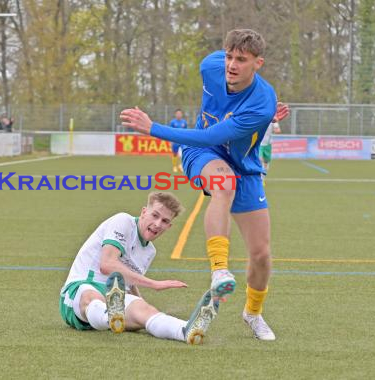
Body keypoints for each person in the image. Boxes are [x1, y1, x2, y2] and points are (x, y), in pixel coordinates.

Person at [120, 29, 290, 341]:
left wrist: (152, 128)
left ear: (258, 63)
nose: (231, 65)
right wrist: (157, 129)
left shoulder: (261, 103)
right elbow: (208, 140)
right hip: (202, 153)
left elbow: (218, 133)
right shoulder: (210, 66)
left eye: (241, 59)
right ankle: (219, 271)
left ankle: (253, 313)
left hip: (245, 167)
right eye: (229, 56)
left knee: (262, 254)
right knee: (223, 184)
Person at [60, 192, 219, 345]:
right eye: (155, 215)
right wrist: (154, 284)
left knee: (145, 311)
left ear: (169, 226)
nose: (157, 224)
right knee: (92, 296)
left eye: (164, 221)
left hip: (115, 297)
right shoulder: (123, 221)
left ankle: (185, 330)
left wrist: (139, 303)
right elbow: (107, 265)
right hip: (80, 291)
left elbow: (130, 281)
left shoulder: (150, 251)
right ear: (144, 212)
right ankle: (110, 315)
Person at [259, 120, 281, 185]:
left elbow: (278, 130)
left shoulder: (273, 120)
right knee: (259, 160)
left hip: (268, 144)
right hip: (259, 144)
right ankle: (258, 179)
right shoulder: (259, 118)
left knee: (266, 162)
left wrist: (276, 129)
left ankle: (262, 179)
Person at [169, 109, 187, 173]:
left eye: (180, 113)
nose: (179, 115)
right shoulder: (172, 122)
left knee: (184, 154)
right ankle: (174, 166)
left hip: (182, 141)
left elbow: (186, 132)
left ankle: (181, 166)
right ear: (175, 114)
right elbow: (170, 132)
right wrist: (171, 141)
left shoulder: (184, 122)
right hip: (175, 141)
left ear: (181, 114)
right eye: (177, 113)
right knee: (174, 154)